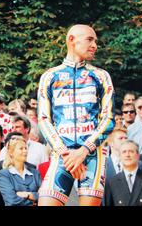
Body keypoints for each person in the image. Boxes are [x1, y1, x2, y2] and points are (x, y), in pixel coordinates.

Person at [37, 24, 115, 206]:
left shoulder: (101, 75)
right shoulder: (49, 76)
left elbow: (109, 118)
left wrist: (83, 151)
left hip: (92, 153)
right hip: (62, 153)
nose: (95, 45)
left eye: (95, 41)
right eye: (90, 39)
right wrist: (66, 154)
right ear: (71, 40)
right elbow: (43, 119)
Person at [104, 140, 142, 206]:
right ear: (120, 156)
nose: (127, 155)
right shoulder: (111, 182)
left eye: (131, 151)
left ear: (138, 156)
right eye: (124, 152)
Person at [0, 137, 42, 206]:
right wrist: (33, 202)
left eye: (25, 148)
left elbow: (44, 196)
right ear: (11, 152)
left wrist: (27, 195)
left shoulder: (35, 173)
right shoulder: (4, 174)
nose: (25, 151)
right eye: (21, 148)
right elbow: (11, 201)